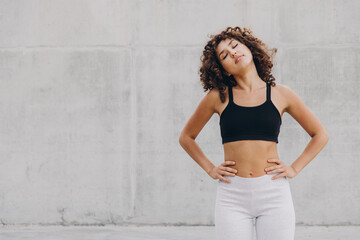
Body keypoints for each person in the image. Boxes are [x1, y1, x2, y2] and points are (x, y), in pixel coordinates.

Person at [178, 26, 329, 240]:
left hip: (274, 193)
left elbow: (320, 134)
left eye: (235, 46)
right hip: (232, 195)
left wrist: (294, 168)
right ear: (224, 69)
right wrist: (210, 168)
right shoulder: (217, 97)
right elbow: (186, 137)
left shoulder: (281, 94)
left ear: (248, 48)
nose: (233, 53)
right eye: (225, 55)